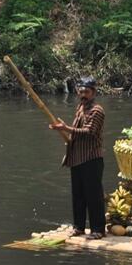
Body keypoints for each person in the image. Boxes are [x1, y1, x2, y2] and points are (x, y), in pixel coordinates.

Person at [49, 77, 106, 240]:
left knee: (93, 195)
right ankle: (79, 227)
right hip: (77, 158)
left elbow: (90, 132)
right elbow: (77, 129)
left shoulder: (97, 110)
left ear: (93, 93)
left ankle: (98, 229)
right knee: (78, 194)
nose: (83, 95)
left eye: (87, 92)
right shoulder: (81, 107)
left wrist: (66, 128)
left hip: (91, 158)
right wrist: (62, 129)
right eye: (81, 91)